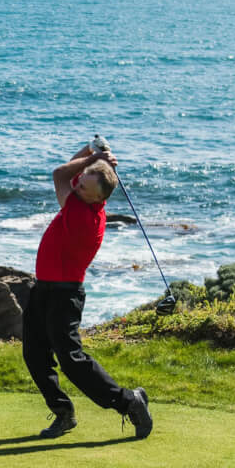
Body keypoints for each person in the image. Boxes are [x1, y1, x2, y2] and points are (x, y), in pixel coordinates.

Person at [24, 142, 155, 440]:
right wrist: (89, 150)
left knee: (72, 360)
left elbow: (59, 174)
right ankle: (63, 414)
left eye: (84, 188)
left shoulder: (83, 215)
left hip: (64, 295)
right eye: (80, 183)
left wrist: (93, 158)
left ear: (99, 198)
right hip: (43, 289)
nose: (78, 187)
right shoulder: (85, 196)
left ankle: (129, 402)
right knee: (34, 355)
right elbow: (73, 172)